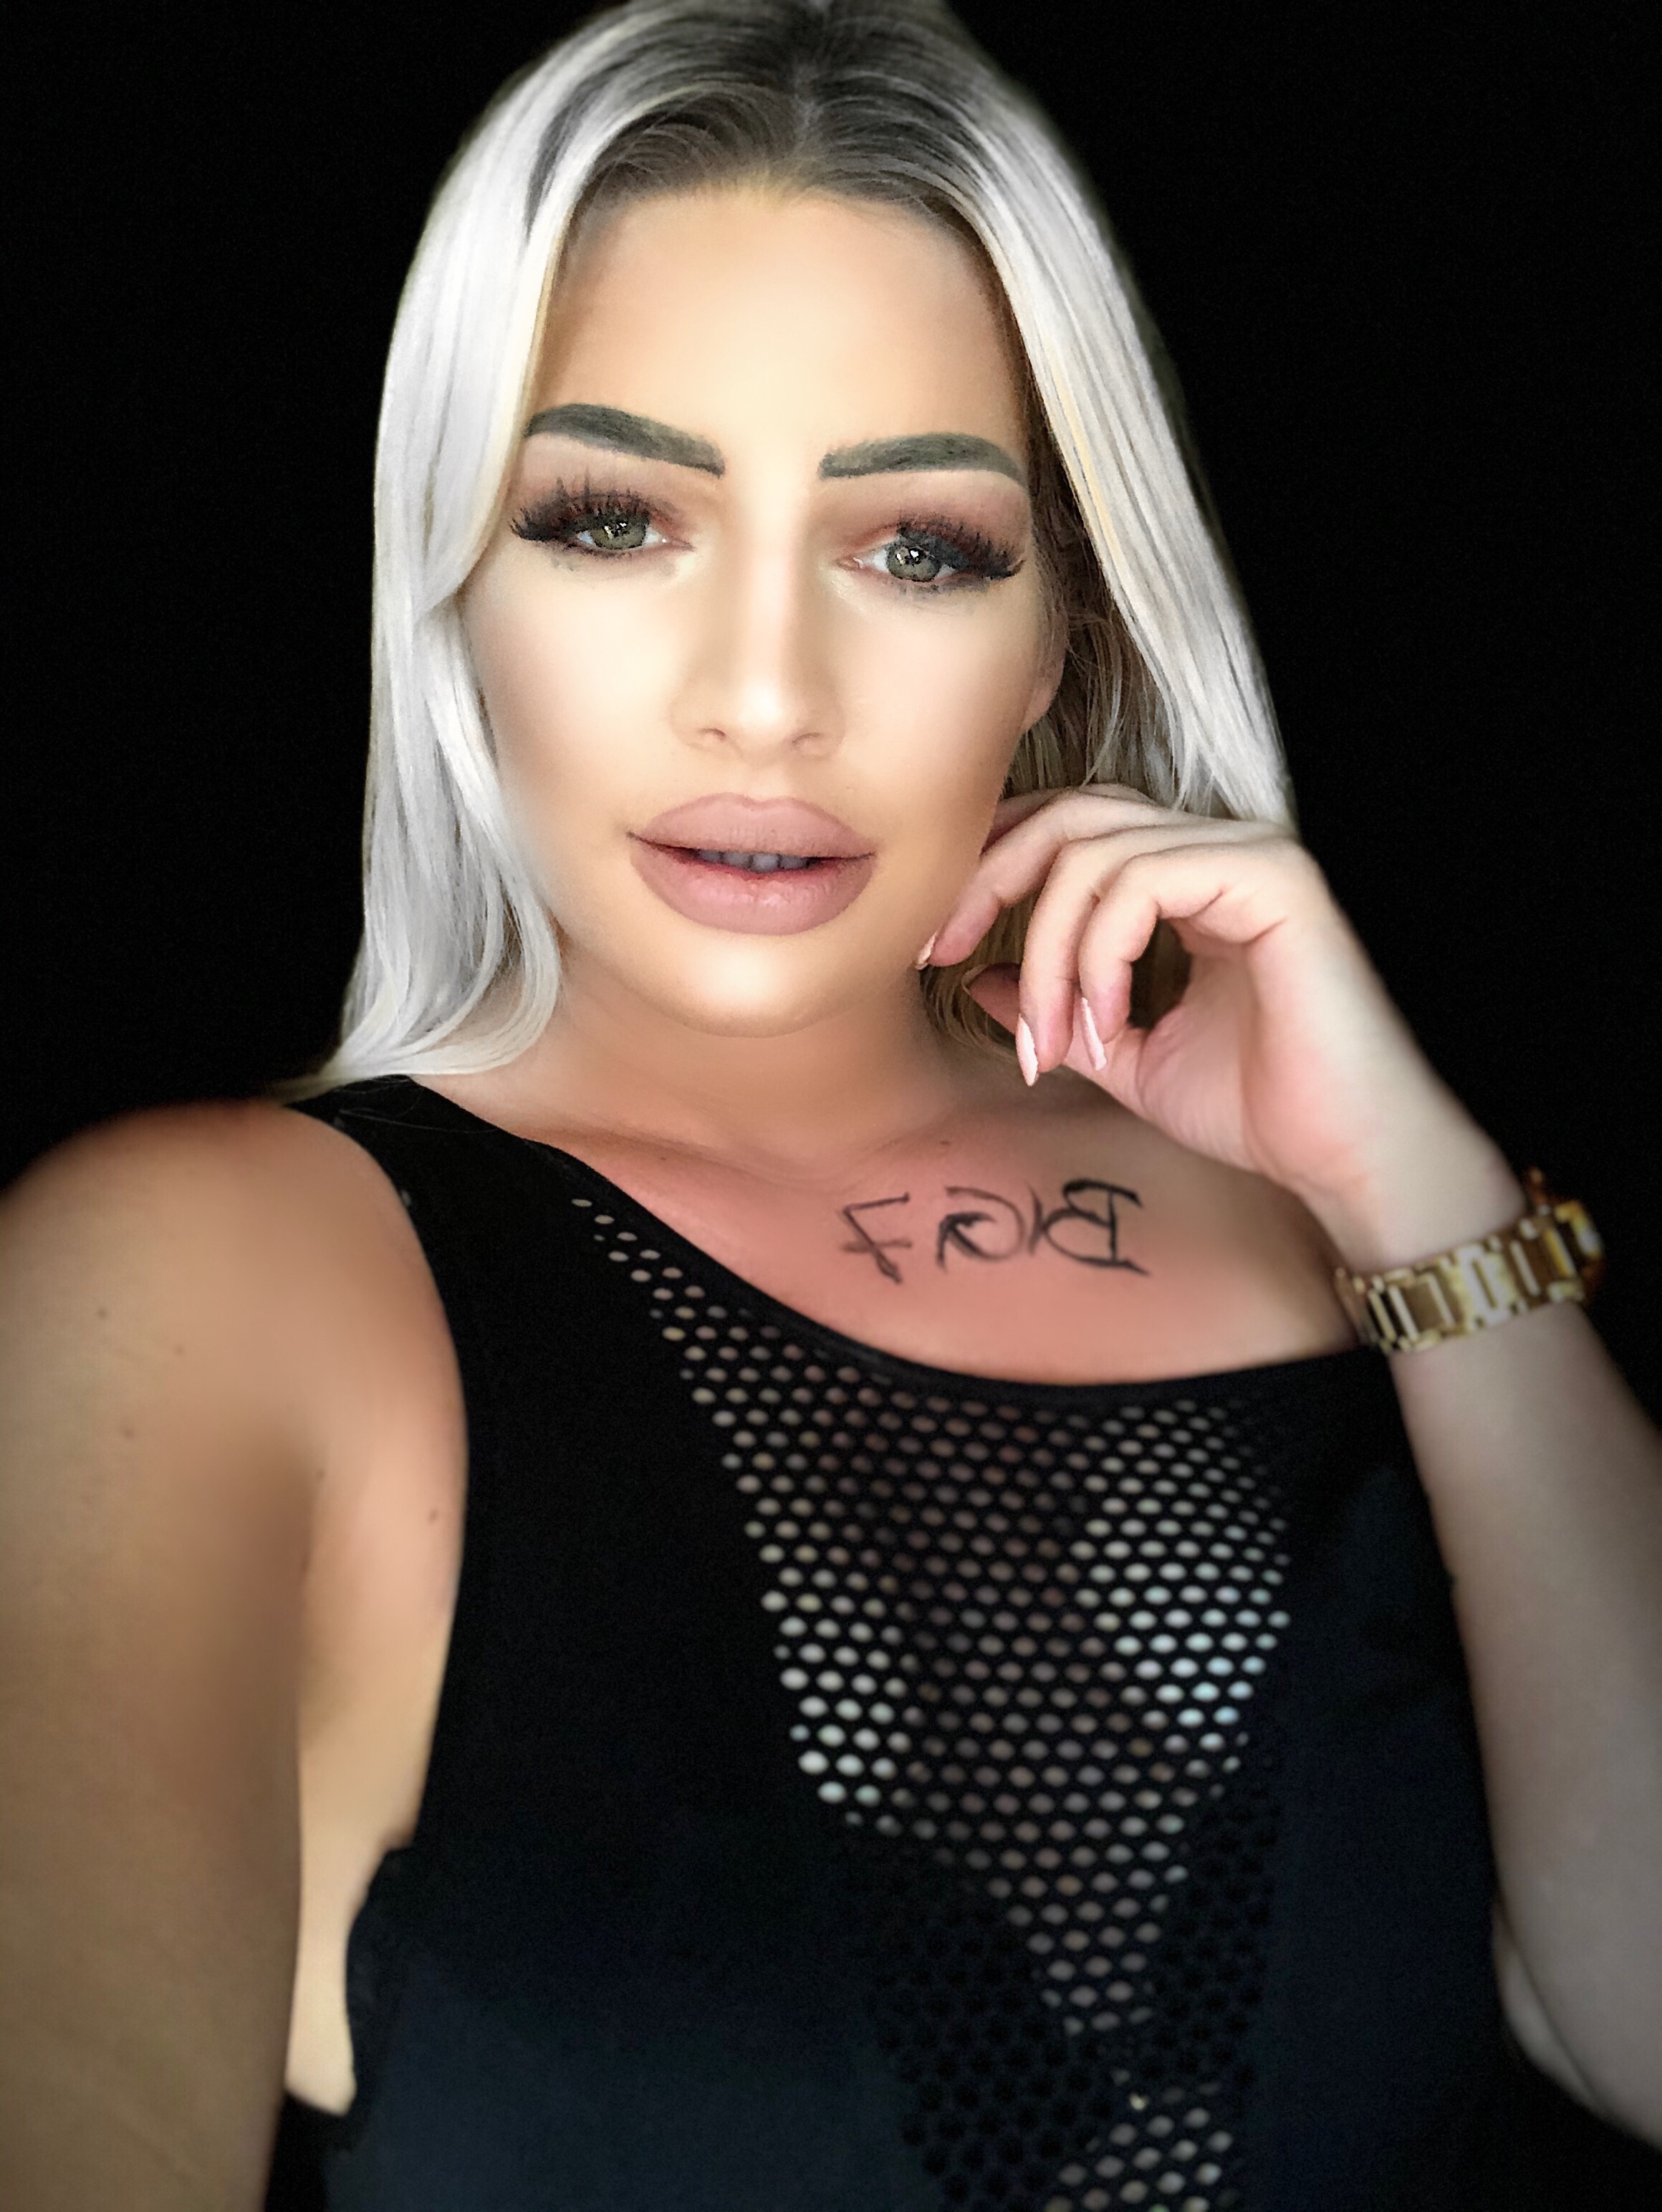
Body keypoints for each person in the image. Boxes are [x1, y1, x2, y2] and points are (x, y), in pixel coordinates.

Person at [3, 2, 1658, 2207]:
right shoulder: (209, 1279)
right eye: (613, 520)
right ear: (453, 586)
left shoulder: (1330, 1234)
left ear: (1061, 634)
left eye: (920, 548)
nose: (767, 696)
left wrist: (1423, 1200)